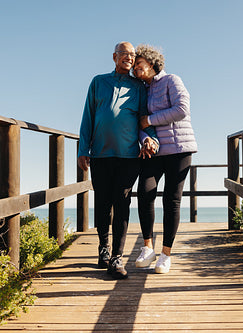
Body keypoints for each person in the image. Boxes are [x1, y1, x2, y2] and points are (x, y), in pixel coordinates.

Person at [78, 42, 158, 280]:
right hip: (100, 154)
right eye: (124, 54)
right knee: (102, 203)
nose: (129, 58)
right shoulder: (98, 82)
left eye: (132, 55)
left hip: (128, 156)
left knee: (122, 204)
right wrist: (83, 149)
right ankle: (103, 250)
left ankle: (117, 258)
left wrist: (149, 139)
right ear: (114, 57)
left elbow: (145, 119)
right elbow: (87, 117)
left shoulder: (139, 87)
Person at [132, 44, 198, 274]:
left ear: (151, 63)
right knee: (144, 192)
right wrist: (145, 138)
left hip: (179, 150)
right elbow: (138, 122)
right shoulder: (141, 89)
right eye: (133, 67)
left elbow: (182, 109)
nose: (135, 70)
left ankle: (165, 255)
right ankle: (148, 247)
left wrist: (150, 121)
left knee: (172, 200)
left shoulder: (171, 80)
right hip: (154, 151)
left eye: (139, 65)